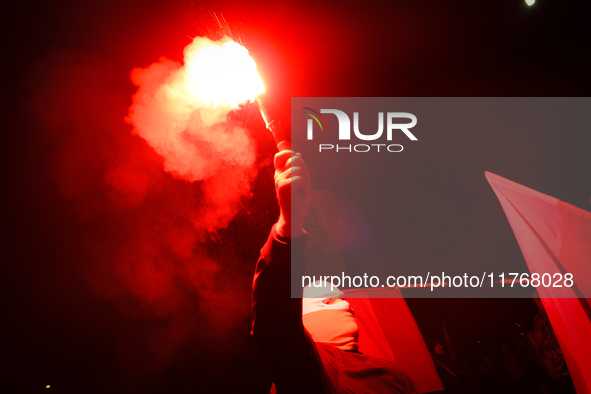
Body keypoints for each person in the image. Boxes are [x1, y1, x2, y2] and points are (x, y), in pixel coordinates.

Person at [251, 150, 419, 393]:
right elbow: (275, 323)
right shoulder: (300, 375)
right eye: (327, 301)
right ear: (301, 327)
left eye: (342, 300)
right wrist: (290, 222)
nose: (345, 305)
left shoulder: (394, 376)